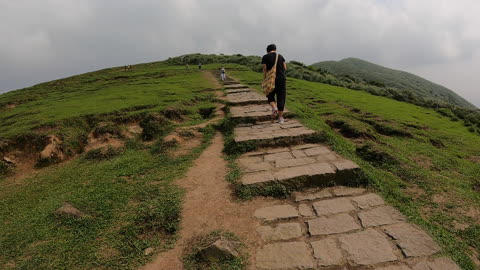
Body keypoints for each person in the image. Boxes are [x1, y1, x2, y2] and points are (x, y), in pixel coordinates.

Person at [262, 44, 287, 123]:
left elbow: (265, 69)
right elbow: (285, 67)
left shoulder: (265, 57)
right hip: (281, 79)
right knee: (281, 97)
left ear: (268, 50)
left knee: (270, 94)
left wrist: (265, 78)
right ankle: (280, 118)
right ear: (275, 49)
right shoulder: (280, 56)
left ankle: (274, 108)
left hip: (271, 80)